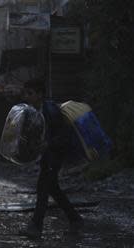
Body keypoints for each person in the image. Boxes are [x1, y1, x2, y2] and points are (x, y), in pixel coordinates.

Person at [19, 79, 84, 239]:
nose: (26, 97)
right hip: (48, 156)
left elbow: (64, 136)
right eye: (25, 93)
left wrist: (48, 144)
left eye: (30, 93)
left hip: (55, 155)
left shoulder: (51, 110)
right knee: (53, 188)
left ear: (40, 94)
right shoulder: (36, 111)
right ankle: (75, 219)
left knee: (42, 188)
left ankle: (36, 226)